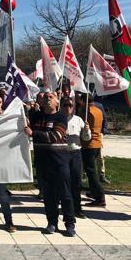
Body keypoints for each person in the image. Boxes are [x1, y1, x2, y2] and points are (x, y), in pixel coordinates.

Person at [29, 91, 76, 236]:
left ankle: (69, 224)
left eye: (51, 97)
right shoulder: (36, 117)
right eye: (45, 97)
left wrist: (33, 134)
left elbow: (54, 136)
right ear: (40, 102)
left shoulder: (61, 116)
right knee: (48, 196)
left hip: (60, 161)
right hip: (43, 162)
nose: (48, 99)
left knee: (65, 194)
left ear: (57, 102)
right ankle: (52, 223)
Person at [0, 96, 27, 233]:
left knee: (2, 193)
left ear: (2, 104)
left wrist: (23, 120)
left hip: (2, 162)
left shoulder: (8, 117)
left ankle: (9, 222)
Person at [62, 96, 91, 218]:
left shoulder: (79, 120)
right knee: (64, 182)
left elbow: (86, 138)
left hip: (75, 154)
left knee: (76, 182)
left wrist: (86, 130)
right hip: (62, 154)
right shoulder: (59, 119)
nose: (68, 107)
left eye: (70, 105)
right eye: (65, 105)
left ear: (73, 107)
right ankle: (65, 208)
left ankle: (77, 208)